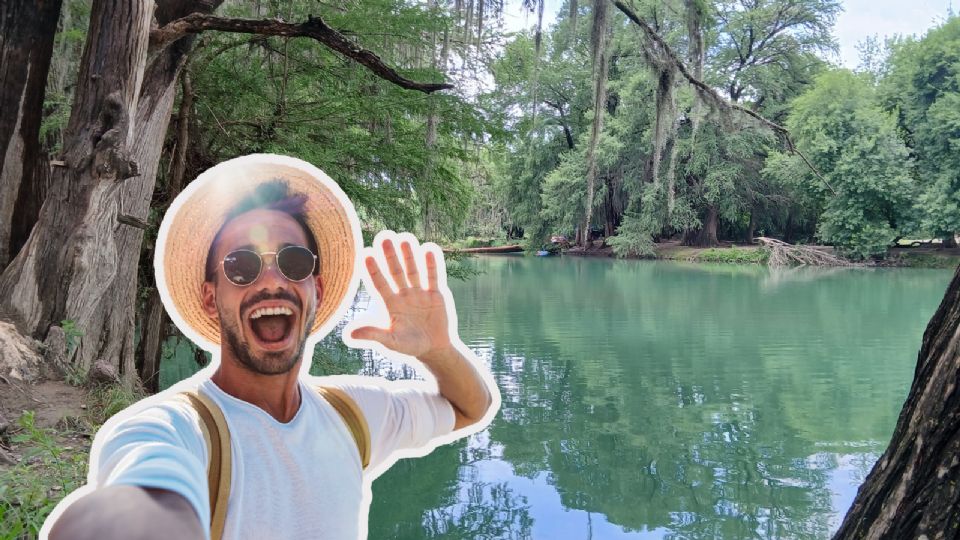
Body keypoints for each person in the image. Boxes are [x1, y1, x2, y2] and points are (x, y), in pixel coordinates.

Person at [42, 154, 498, 540]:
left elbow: (469, 408)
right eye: (241, 265)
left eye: (293, 261)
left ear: (315, 288)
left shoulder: (354, 415)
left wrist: (438, 350)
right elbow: (141, 496)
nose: (273, 281)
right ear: (210, 295)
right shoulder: (171, 428)